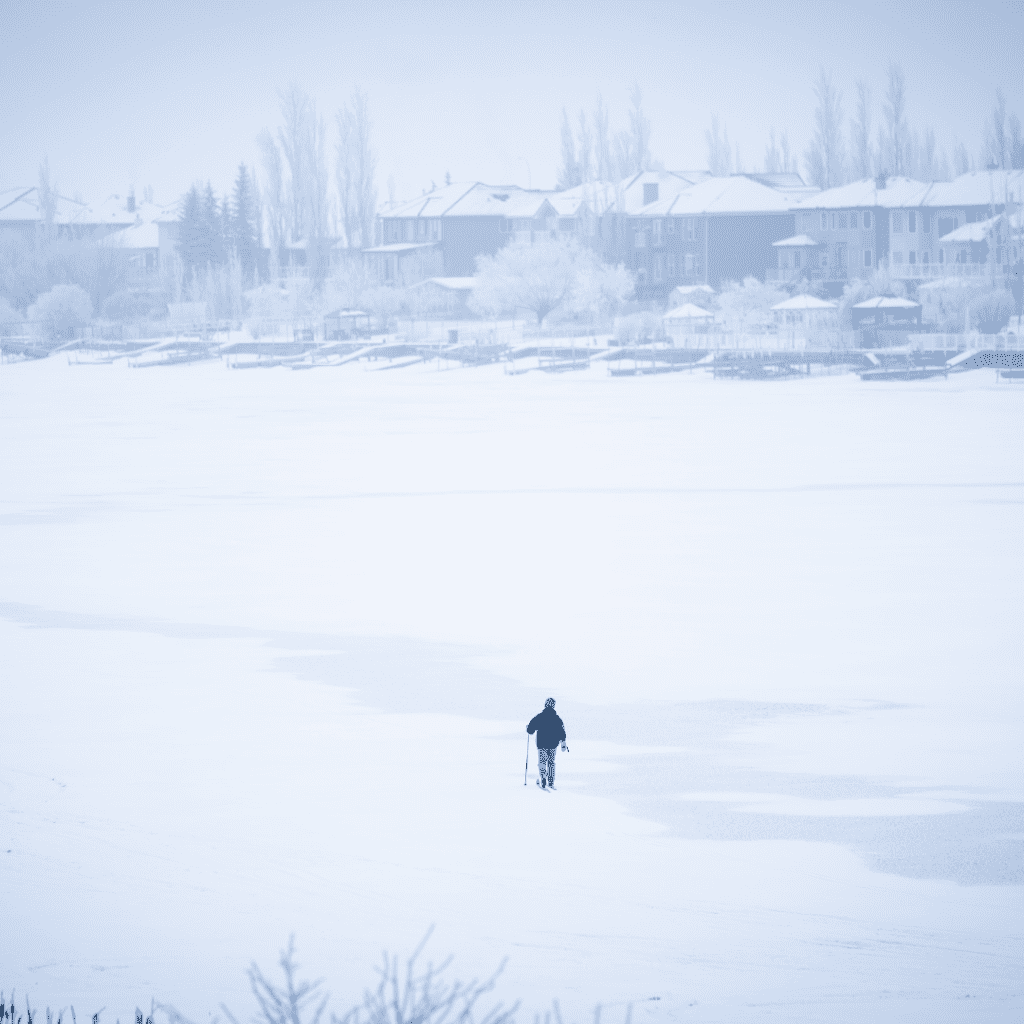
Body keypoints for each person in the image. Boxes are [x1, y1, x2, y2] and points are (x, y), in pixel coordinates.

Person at [527, 698, 567, 790]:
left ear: (545, 705)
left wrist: (528, 729)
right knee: (551, 763)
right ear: (553, 706)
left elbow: (530, 730)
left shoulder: (540, 717)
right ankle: (551, 781)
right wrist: (563, 742)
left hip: (542, 744)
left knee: (542, 762)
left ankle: (543, 778)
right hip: (553, 745)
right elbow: (562, 732)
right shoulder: (557, 719)